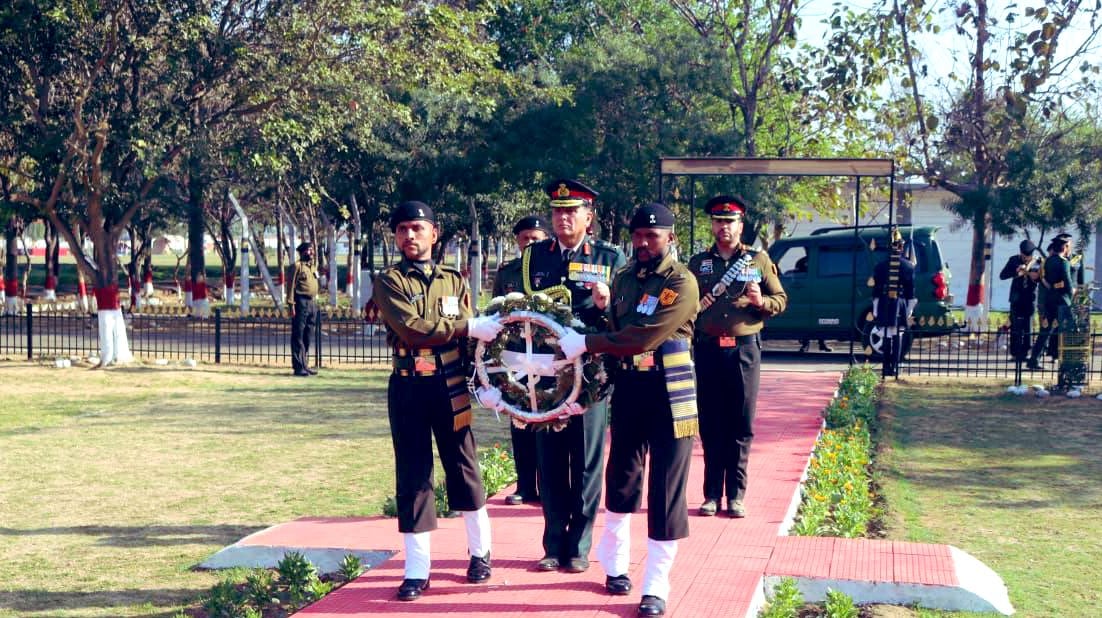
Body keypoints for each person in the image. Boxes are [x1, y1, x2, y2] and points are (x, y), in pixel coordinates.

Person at [558, 202, 698, 617]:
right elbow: (616, 329)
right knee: (622, 476)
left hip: (672, 388)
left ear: (670, 238)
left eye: (651, 236)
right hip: (632, 387)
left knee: (667, 489)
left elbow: (641, 336)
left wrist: (587, 343)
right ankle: (616, 566)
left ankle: (656, 585)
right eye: (637, 235)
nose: (642, 243)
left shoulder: (681, 281)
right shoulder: (623, 279)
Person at [372, 201, 505, 601]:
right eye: (401, 230)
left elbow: (472, 343)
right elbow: (413, 329)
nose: (408, 236)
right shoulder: (389, 281)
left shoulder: (454, 280)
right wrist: (466, 326)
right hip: (410, 385)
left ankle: (480, 554)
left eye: (416, 228)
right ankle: (417, 569)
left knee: (464, 467)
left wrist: (484, 382)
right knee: (414, 474)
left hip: (451, 385)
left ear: (434, 232)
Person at [520, 178, 626, 573]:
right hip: (548, 371)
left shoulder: (610, 258)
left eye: (571, 211)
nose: (563, 218)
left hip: (592, 373)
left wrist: (607, 302)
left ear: (589, 216)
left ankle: (579, 545)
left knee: (585, 461)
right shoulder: (536, 257)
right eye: (557, 211)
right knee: (550, 460)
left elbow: (623, 316)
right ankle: (552, 543)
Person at [688, 195, 788, 519]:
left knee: (740, 422)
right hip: (708, 349)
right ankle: (711, 494)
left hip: (744, 350)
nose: (724, 227)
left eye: (730, 221)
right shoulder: (698, 263)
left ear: (740, 225)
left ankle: (736, 495)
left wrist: (762, 302)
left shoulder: (758, 260)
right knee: (711, 422)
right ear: (712, 225)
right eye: (718, 221)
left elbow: (781, 299)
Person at [493, 214, 551, 506]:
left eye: (536, 239)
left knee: (547, 421)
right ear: (517, 240)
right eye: (525, 238)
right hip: (517, 356)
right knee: (520, 422)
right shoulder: (507, 273)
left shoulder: (554, 269)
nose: (530, 243)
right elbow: (496, 313)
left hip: (550, 358)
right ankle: (525, 485)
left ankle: (548, 485)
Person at [871, 227, 916, 378]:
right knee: (898, 335)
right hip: (900, 302)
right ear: (901, 247)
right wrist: (910, 308)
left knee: (887, 335)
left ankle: (886, 367)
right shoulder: (909, 266)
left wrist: (876, 307)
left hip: (884, 301)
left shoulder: (880, 266)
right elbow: (911, 291)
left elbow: (876, 290)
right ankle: (895, 367)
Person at [1027, 237, 1074, 370]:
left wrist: (1053, 288)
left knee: (1045, 331)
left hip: (1049, 300)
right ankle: (1070, 362)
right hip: (1062, 301)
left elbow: (1044, 280)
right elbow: (1068, 282)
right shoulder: (1063, 262)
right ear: (1064, 248)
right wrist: (1071, 296)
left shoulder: (1047, 262)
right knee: (1070, 330)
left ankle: (1033, 360)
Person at [999, 239, 1041, 362]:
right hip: (1016, 298)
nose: (1026, 258)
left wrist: (1035, 275)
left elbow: (1041, 278)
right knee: (1016, 326)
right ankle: (1015, 353)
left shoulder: (1037, 262)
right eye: (1024, 256)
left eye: (1028, 256)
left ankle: (1025, 352)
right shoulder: (1014, 260)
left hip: (1030, 298)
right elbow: (1002, 275)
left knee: (1028, 326)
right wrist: (1016, 271)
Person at [287, 241, 320, 377]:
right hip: (300, 302)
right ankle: (298, 366)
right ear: (302, 252)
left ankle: (304, 364)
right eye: (309, 250)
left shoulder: (312, 267)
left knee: (308, 335)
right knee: (298, 335)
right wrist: (291, 305)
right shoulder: (296, 267)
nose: (311, 252)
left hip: (312, 303)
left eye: (312, 250)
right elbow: (290, 287)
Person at [791, 256, 831, 353]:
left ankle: (822, 343)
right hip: (805, 292)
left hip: (819, 292)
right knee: (805, 320)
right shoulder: (801, 262)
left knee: (821, 318)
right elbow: (796, 275)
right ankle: (805, 344)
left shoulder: (822, 260)